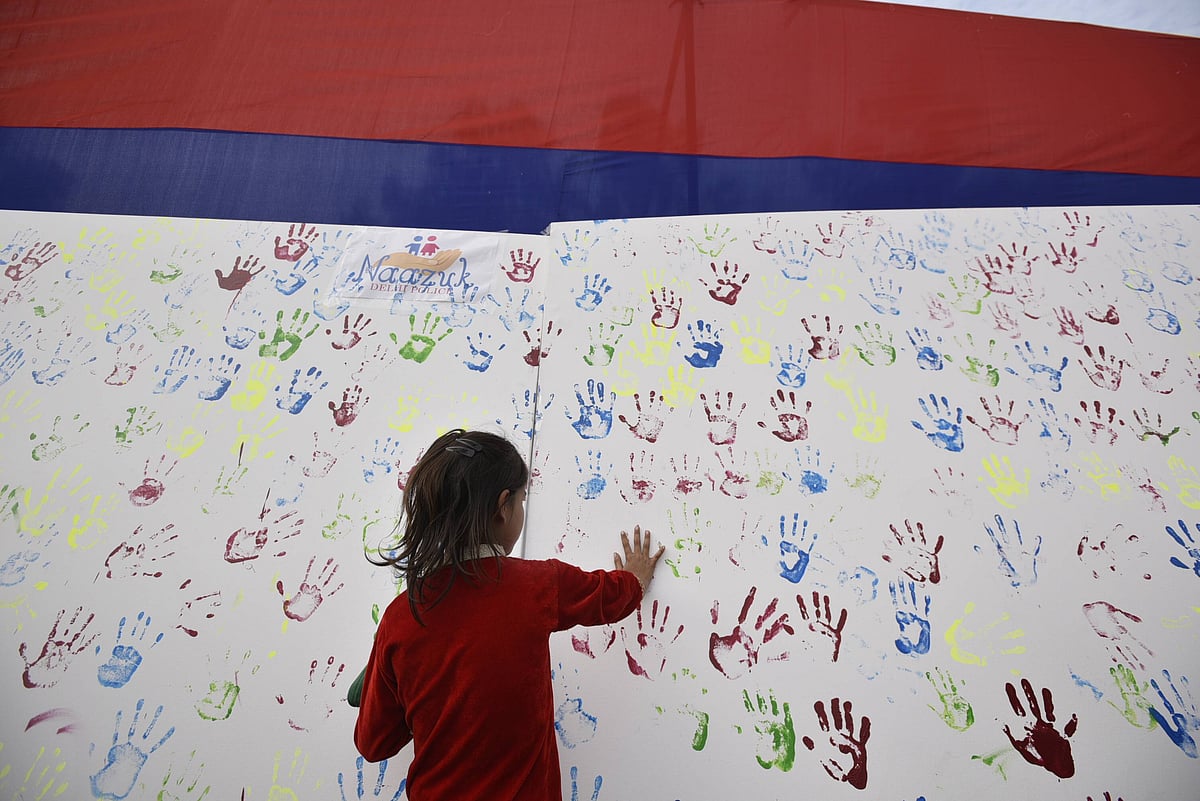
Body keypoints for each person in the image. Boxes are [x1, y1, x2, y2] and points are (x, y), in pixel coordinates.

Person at [352, 428, 666, 800]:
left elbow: (374, 744)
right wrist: (635, 579)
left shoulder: (400, 618)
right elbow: (608, 597)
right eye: (521, 501)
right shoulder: (537, 586)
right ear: (504, 507)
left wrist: (390, 677)